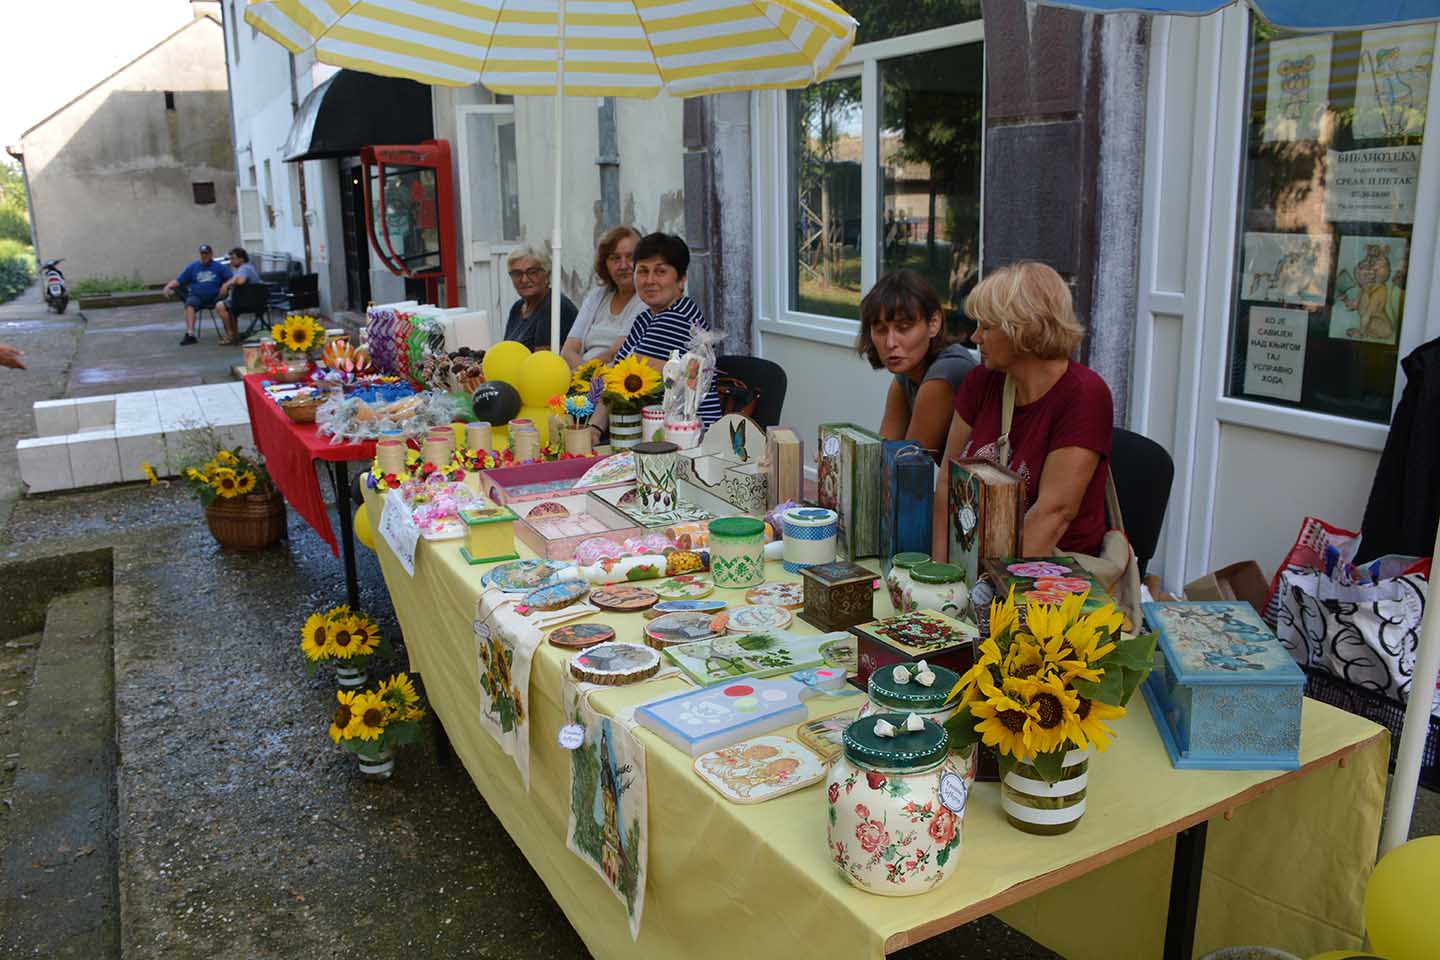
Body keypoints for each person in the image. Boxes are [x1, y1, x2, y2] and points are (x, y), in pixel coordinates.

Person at [932, 261, 1113, 559]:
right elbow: (948, 481)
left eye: (986, 327)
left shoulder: (1084, 396)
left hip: (1051, 578)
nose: (975, 337)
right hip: (978, 560)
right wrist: (941, 576)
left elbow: (1053, 515)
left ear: (1023, 330)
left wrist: (987, 591)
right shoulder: (981, 381)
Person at [859, 269, 976, 459]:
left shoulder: (945, 374)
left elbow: (906, 465)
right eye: (880, 330)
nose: (890, 343)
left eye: (903, 328)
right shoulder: (907, 374)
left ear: (934, 324)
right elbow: (885, 453)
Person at [612, 233, 723, 425]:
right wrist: (593, 427)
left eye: (660, 272)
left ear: (681, 279)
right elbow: (617, 375)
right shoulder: (645, 317)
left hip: (690, 433)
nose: (649, 280)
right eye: (643, 271)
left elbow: (631, 377)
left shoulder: (679, 316)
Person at [561, 226, 646, 367]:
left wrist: (585, 375)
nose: (623, 265)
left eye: (630, 257)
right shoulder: (597, 295)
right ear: (605, 264)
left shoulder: (645, 299)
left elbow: (615, 353)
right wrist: (580, 376)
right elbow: (568, 350)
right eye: (615, 258)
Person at [501, 244, 577, 352]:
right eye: (517, 273)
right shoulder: (517, 307)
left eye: (532, 272)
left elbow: (542, 362)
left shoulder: (554, 307)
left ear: (547, 275)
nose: (524, 279)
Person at [162, 244, 233, 346]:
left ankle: (230, 334)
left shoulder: (219, 267)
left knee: (222, 306)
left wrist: (225, 285)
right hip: (197, 297)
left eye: (206, 253)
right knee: (189, 304)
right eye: (202, 253)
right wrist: (168, 286)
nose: (204, 256)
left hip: (216, 297)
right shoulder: (193, 266)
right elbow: (179, 280)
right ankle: (190, 334)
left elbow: (232, 278)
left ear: (211, 254)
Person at [215, 247, 261, 345]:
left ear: (241, 259)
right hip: (249, 299)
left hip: (249, 301)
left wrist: (226, 285)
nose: (231, 261)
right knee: (227, 305)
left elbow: (240, 281)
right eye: (230, 258)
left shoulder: (245, 268)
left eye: (233, 258)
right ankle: (234, 335)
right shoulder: (244, 268)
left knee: (220, 305)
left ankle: (230, 334)